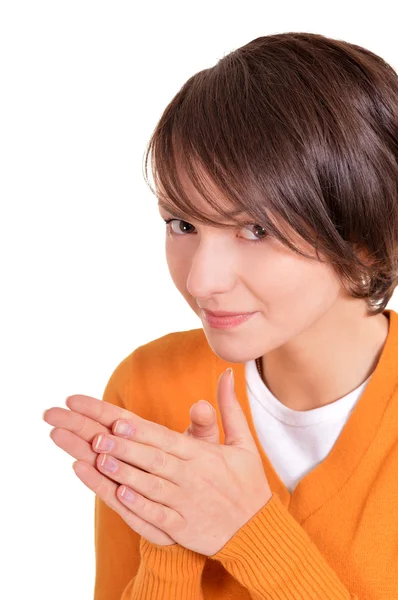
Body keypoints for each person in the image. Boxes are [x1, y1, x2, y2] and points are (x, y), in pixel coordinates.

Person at [43, 31, 398, 599]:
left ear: (365, 236)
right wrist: (172, 547)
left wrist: (248, 534)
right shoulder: (150, 386)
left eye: (256, 230)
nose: (201, 280)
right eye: (182, 224)